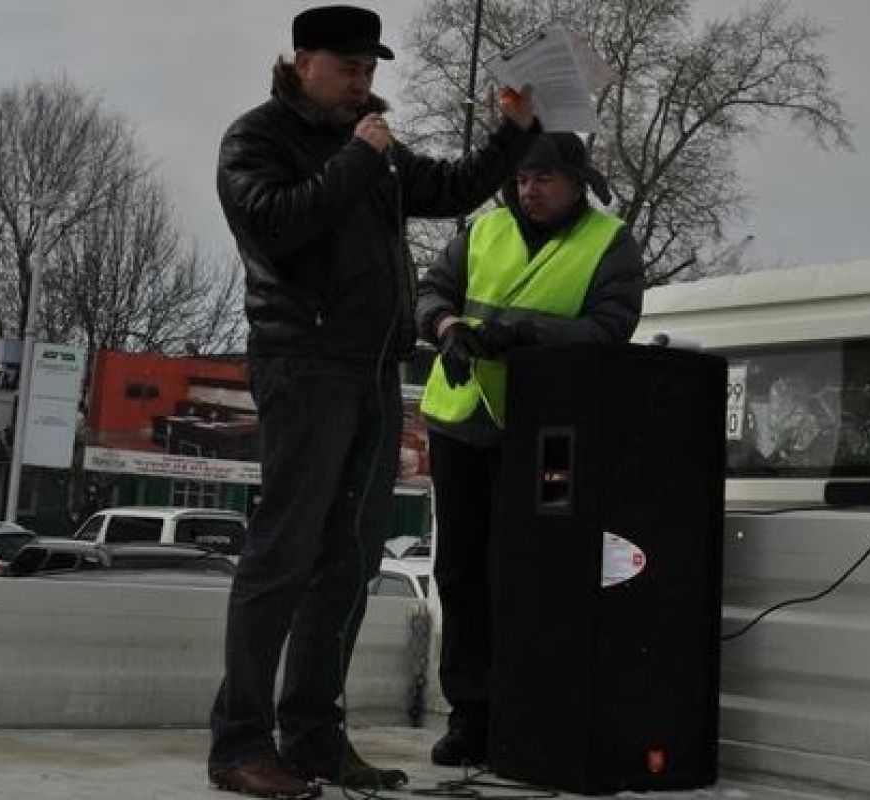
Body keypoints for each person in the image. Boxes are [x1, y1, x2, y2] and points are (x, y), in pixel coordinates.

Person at [208, 5, 538, 798]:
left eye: (371, 70)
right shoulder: (257, 140)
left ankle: (317, 738)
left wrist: (513, 134)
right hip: (302, 362)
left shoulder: (376, 148)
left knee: (350, 563)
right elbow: (275, 227)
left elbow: (454, 187)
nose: (364, 82)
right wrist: (358, 160)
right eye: (349, 67)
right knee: (282, 556)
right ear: (301, 61)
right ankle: (239, 745)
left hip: (372, 370)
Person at [416, 132, 645, 766]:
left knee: (523, 579)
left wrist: (526, 334)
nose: (529, 191)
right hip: (462, 425)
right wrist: (447, 329)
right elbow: (432, 291)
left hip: (542, 434)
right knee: (460, 575)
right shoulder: (483, 231)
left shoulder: (610, 243)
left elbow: (609, 327)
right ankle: (471, 716)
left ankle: (522, 713)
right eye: (521, 180)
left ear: (576, 181)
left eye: (542, 179)